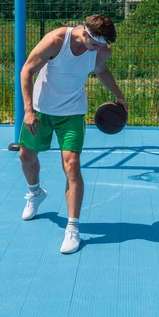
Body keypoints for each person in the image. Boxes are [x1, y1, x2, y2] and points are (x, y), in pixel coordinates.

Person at [18, 14, 128, 254]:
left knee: (72, 165)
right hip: (40, 109)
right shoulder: (56, 40)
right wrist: (28, 111)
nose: (101, 49)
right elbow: (27, 70)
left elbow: (102, 71)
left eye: (103, 45)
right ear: (86, 33)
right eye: (97, 43)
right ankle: (35, 193)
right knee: (26, 156)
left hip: (73, 114)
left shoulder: (100, 51)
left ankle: (73, 229)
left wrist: (119, 95)